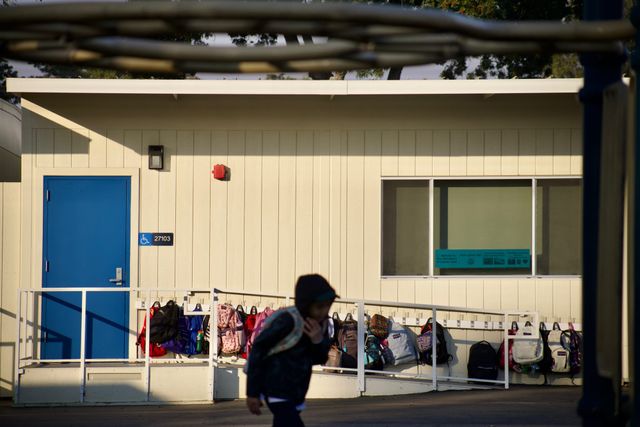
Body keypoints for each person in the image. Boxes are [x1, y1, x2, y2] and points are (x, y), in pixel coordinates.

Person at [246, 274, 337, 427]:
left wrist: (317, 340)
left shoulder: (322, 325)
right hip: (275, 388)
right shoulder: (288, 320)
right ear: (305, 304)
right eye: (319, 307)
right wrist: (252, 393)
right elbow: (258, 350)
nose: (324, 311)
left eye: (328, 305)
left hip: (296, 391)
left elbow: (319, 358)